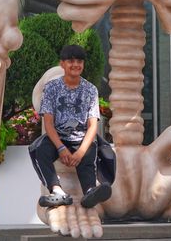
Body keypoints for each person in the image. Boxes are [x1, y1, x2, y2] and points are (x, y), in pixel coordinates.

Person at [28, 44, 112, 209]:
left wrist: (80, 152)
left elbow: (92, 125)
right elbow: (48, 123)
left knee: (89, 153)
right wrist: (61, 148)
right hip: (58, 136)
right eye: (71, 61)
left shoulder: (90, 90)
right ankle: (56, 190)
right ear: (62, 64)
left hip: (81, 137)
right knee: (40, 150)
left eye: (79, 61)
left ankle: (90, 192)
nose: (75, 65)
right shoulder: (51, 88)